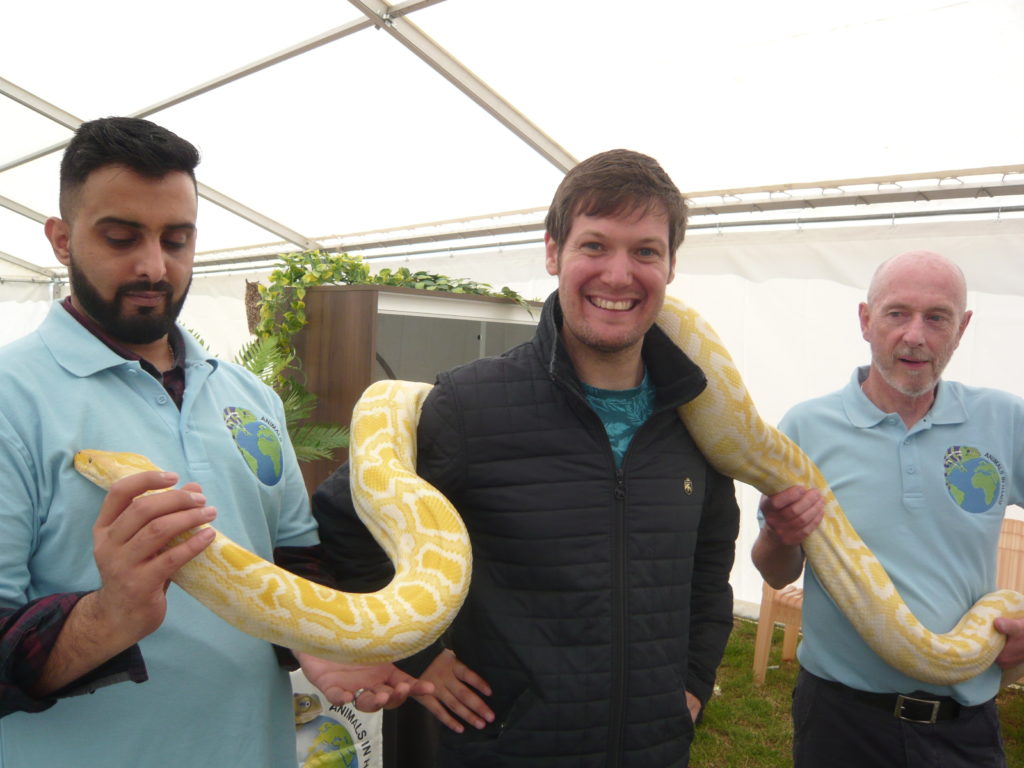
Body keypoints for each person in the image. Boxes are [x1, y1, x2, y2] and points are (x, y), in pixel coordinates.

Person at [0, 116, 427, 767]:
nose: (153, 265)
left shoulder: (249, 396)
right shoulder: (11, 398)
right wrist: (109, 616)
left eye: (177, 239)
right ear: (61, 240)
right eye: (120, 237)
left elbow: (293, 562)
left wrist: (315, 646)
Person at [313, 149, 741, 767]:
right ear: (552, 253)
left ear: (671, 266)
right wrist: (417, 654)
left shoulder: (698, 416)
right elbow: (340, 526)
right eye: (595, 246)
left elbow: (708, 567)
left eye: (645, 251)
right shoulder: (467, 404)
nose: (619, 275)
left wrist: (695, 683)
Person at [752, 250, 1024, 768]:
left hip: (964, 724)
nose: (915, 335)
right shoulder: (807, 428)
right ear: (865, 321)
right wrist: (780, 537)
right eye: (897, 313)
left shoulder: (1005, 419)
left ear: (962, 328)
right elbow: (774, 570)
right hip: (841, 719)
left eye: (937, 317)